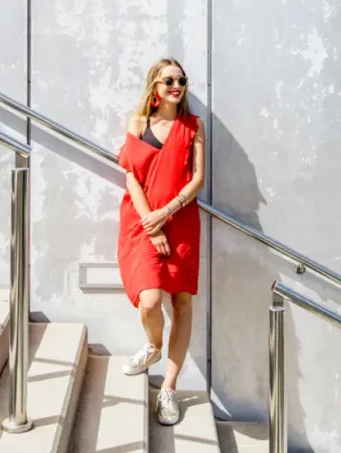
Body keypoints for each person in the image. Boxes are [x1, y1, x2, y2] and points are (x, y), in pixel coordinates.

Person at [116, 57, 205, 426]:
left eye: (181, 80)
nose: (176, 86)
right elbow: (131, 176)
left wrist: (167, 212)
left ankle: (168, 388)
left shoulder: (193, 126)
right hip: (142, 220)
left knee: (182, 303)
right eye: (169, 80)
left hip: (181, 219)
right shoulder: (138, 123)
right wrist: (152, 224)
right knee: (150, 300)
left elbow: (198, 178)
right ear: (154, 86)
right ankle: (153, 346)